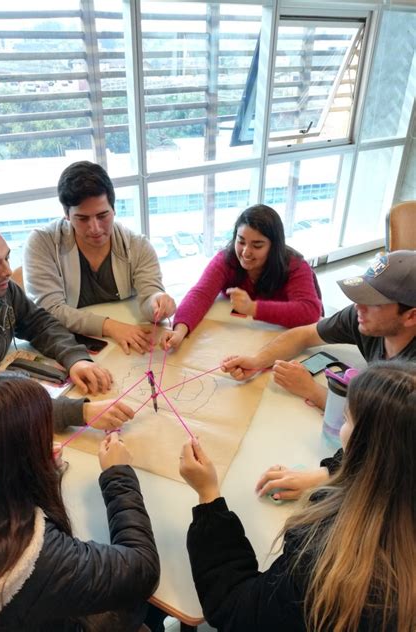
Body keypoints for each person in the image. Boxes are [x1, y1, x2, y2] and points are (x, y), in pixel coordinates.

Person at [180, 361, 416, 631]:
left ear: (368, 449)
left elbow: (237, 610)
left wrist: (208, 497)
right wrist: (326, 474)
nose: (339, 423)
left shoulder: (329, 563)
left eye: (348, 418)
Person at [0, 372, 160, 630]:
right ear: (23, 461)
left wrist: (32, 476)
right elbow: (142, 568)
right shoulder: (28, 556)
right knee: (137, 608)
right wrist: (118, 474)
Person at [0, 212, 134, 433]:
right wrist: (81, 412)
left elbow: (39, 323)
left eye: (7, 257)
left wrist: (75, 359)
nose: (7, 271)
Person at [223, 249, 416, 409]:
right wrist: (257, 361)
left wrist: (312, 390)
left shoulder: (410, 375)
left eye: (374, 303)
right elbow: (304, 335)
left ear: (411, 316)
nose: (358, 306)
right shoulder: (364, 318)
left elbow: (378, 426)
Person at [24, 160, 176, 355]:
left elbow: (149, 296)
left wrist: (158, 300)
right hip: (73, 346)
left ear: (114, 209)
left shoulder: (138, 245)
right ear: (67, 215)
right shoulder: (42, 243)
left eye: (103, 215)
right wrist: (110, 326)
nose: (95, 228)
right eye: (82, 218)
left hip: (123, 346)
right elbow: (49, 310)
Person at [162, 204, 322, 350]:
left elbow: (310, 312)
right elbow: (201, 294)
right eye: (241, 241)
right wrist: (179, 331)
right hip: (242, 337)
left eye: (257, 245)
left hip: (284, 339)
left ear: (274, 246)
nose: (246, 252)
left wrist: (252, 308)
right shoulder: (226, 259)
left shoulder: (295, 266)